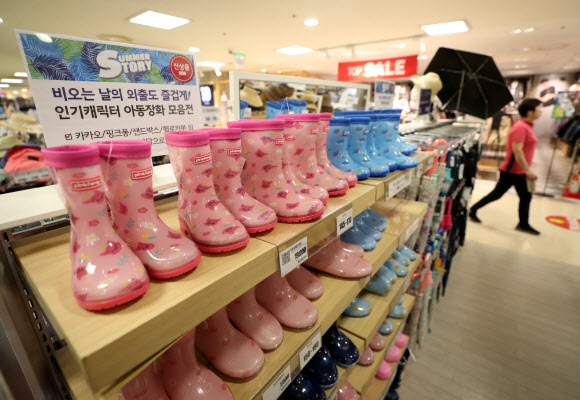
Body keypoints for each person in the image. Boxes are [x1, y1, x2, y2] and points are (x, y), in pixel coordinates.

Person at [469, 98, 542, 235]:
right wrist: (527, 170)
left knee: (526, 196)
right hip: (512, 170)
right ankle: (473, 209)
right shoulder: (521, 127)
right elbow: (517, 151)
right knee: (497, 194)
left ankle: (523, 224)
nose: (541, 112)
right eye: (539, 109)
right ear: (530, 112)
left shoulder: (526, 126)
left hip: (520, 170)